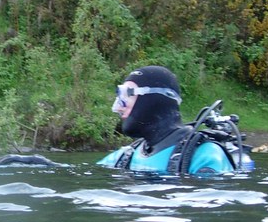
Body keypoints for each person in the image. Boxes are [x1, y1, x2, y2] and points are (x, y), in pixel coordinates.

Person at [97, 65, 252, 176]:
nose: (118, 107)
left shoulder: (205, 156)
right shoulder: (125, 156)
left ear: (154, 100)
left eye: (127, 96)